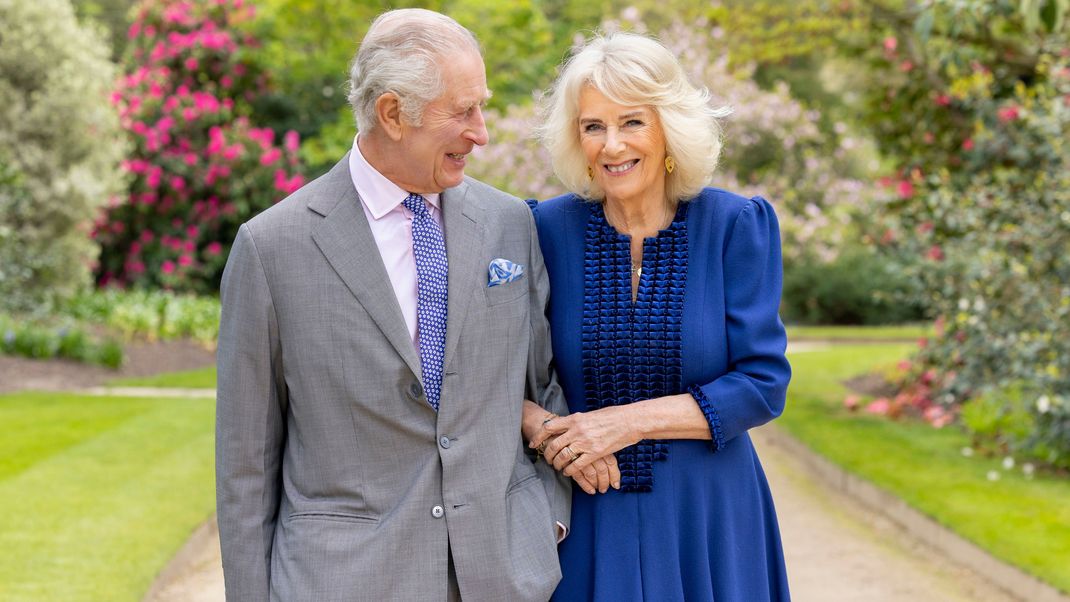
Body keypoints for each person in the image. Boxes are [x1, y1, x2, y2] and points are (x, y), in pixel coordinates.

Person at [215, 9, 572, 601]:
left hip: (499, 575)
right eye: (463, 111)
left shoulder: (510, 224)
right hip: (342, 582)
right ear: (392, 114)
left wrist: (544, 520)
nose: (481, 132)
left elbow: (543, 384)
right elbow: (245, 466)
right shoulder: (271, 249)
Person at [524, 32, 792, 601]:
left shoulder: (735, 225)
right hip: (587, 516)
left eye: (632, 123)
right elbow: (487, 370)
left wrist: (626, 421)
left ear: (669, 127)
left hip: (710, 521)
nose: (611, 145)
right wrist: (545, 432)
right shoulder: (541, 231)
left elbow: (763, 384)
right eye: (593, 126)